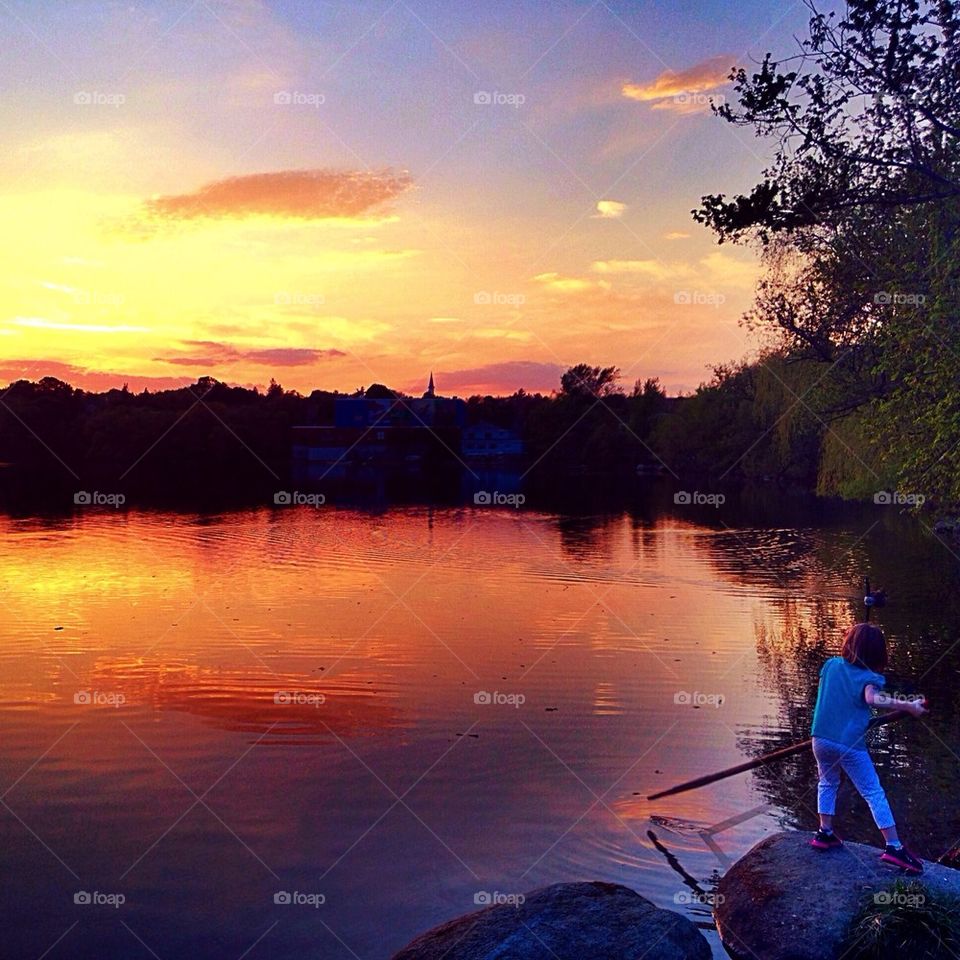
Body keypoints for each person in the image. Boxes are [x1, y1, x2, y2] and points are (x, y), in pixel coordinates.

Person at [809, 622, 927, 873]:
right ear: (878, 654)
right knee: (873, 791)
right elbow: (872, 699)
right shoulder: (869, 678)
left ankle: (824, 832)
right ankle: (894, 847)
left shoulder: (829, 666)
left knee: (827, 782)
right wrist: (909, 706)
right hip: (849, 744)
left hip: (820, 738)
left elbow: (833, 698)